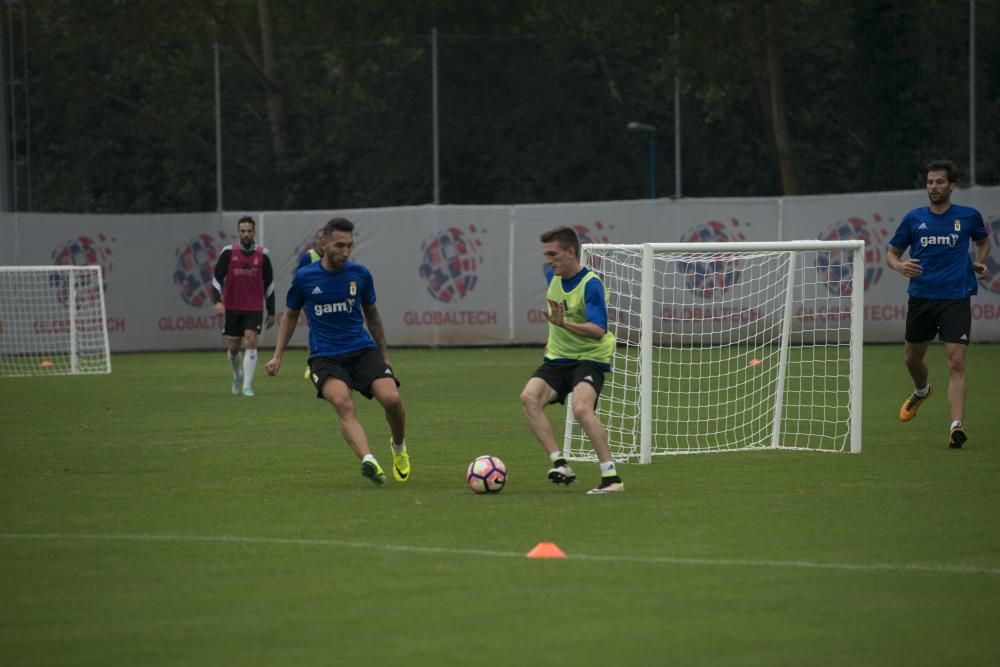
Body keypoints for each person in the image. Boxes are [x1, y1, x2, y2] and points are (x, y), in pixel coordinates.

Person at [265, 217, 410, 486]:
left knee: (392, 399)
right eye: (339, 245)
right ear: (324, 243)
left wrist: (385, 357)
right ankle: (368, 459)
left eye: (349, 246)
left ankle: (399, 448)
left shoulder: (360, 274)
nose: (345, 252)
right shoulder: (305, 278)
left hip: (362, 350)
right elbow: (290, 316)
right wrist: (278, 356)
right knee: (343, 403)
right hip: (325, 356)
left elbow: (373, 317)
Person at [887, 159, 990, 448]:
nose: (934, 186)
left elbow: (984, 243)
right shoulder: (913, 218)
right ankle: (921, 391)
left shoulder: (968, 217)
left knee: (956, 361)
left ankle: (956, 426)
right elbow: (891, 254)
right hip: (921, 297)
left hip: (956, 297)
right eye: (930, 182)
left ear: (952, 186)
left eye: (940, 182)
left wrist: (979, 263)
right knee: (912, 358)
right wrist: (900, 266)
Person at [519, 225, 623, 494]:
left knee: (581, 409)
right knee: (529, 398)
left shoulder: (591, 284)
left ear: (570, 252)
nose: (548, 260)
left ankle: (611, 478)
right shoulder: (552, 278)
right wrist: (549, 345)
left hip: (589, 358)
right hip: (557, 360)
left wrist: (563, 323)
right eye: (546, 254)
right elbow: (554, 322)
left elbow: (598, 331)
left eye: (553, 254)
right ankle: (560, 463)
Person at [212, 215, 276, 397]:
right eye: (243, 231)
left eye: (249, 231)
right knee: (233, 348)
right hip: (232, 306)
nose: (246, 234)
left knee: (251, 341)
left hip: (254, 307)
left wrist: (271, 311)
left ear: (254, 232)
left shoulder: (263, 254)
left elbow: (270, 284)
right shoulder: (228, 252)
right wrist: (217, 301)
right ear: (238, 232)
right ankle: (237, 375)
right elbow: (216, 279)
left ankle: (247, 386)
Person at [296, 228, 326, 378]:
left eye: (324, 238)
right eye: (318, 238)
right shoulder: (308, 257)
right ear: (315, 240)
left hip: (330, 301)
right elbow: (299, 279)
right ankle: (313, 363)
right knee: (315, 328)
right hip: (312, 301)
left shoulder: (333, 257)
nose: (321, 241)